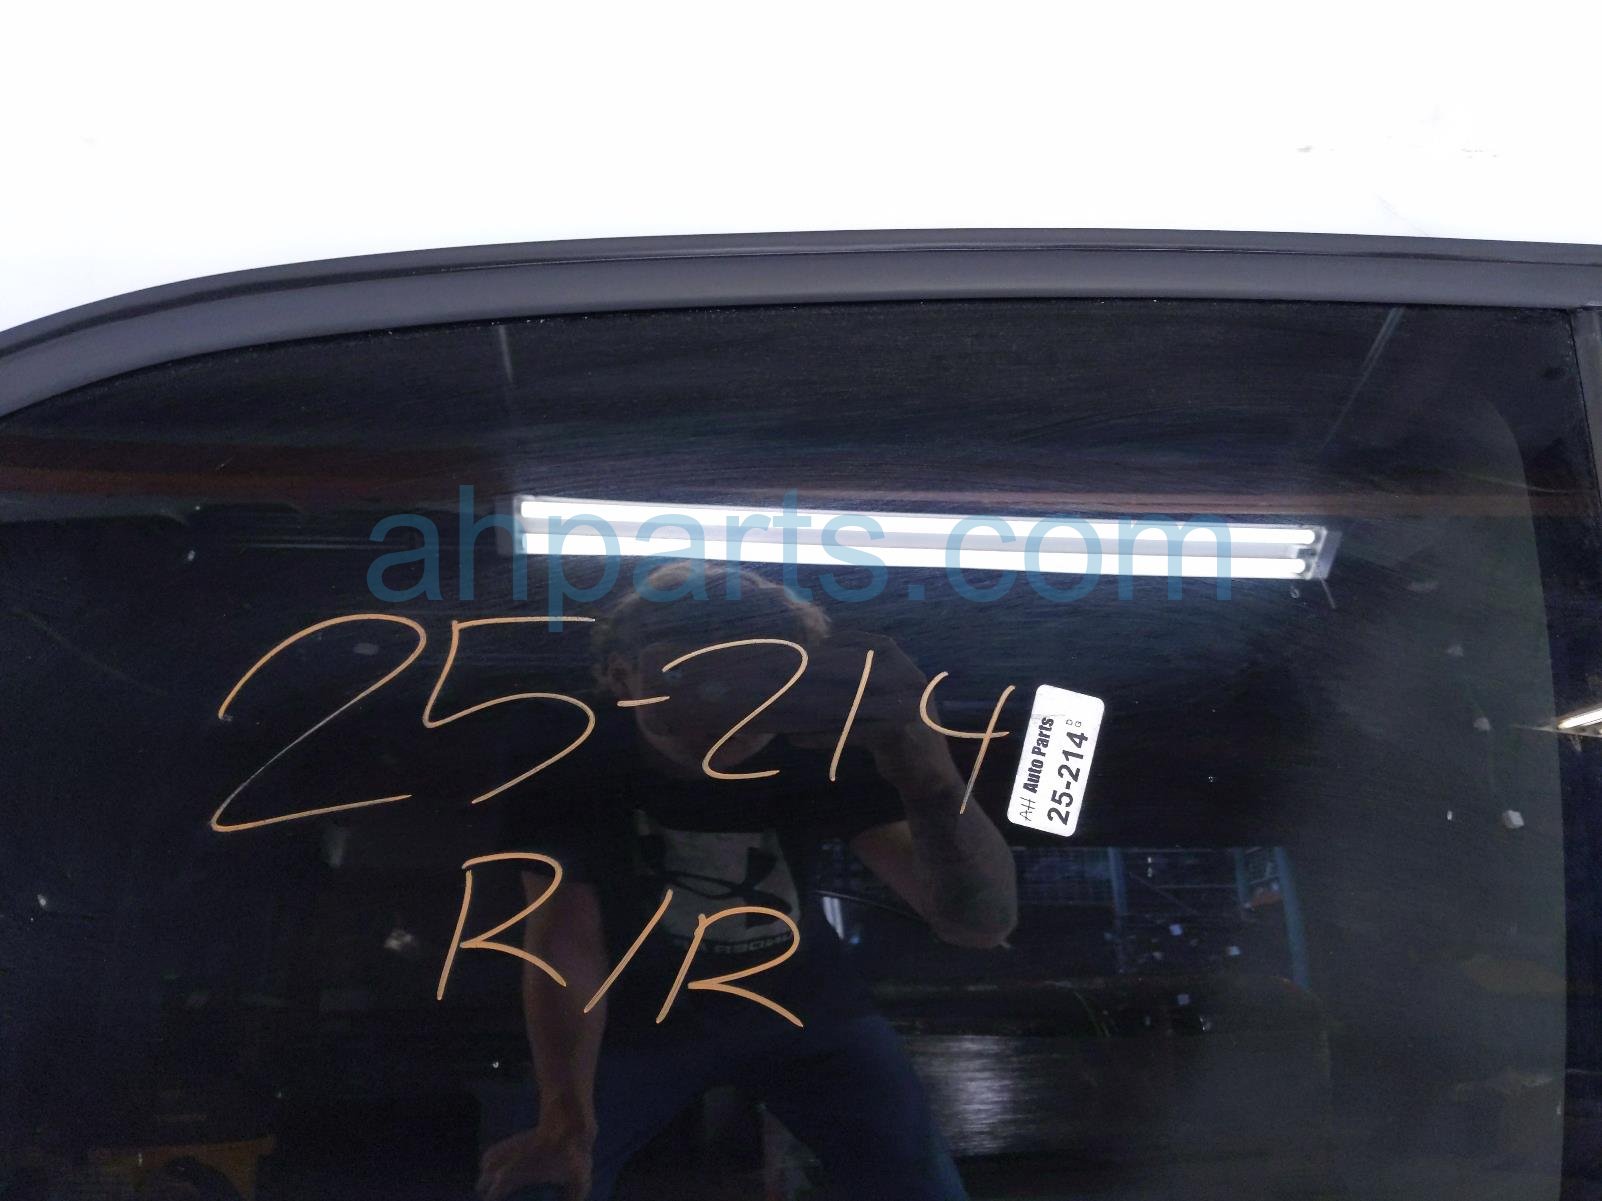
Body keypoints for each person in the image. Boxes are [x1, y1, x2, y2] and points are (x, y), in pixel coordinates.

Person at [478, 563, 1017, 1201]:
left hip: (802, 1008)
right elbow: (566, 938)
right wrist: (565, 1119)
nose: (729, 706)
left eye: (760, 674)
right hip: (642, 1019)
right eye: (696, 671)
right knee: (541, 1176)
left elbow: (977, 923)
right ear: (622, 678)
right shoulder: (571, 750)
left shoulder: (817, 748)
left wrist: (930, 775)